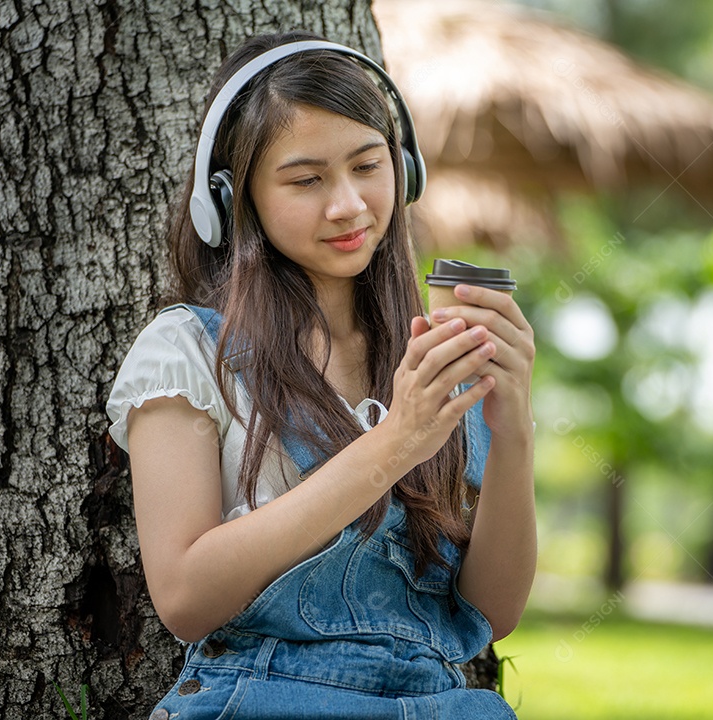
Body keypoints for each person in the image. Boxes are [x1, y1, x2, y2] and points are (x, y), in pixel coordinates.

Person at [106, 30, 536, 720]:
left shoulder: (431, 359)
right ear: (231, 198)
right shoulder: (188, 351)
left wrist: (512, 428)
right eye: (306, 180)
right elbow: (185, 599)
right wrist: (393, 443)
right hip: (261, 698)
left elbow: (492, 612)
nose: (348, 205)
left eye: (368, 166)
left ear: (405, 172)